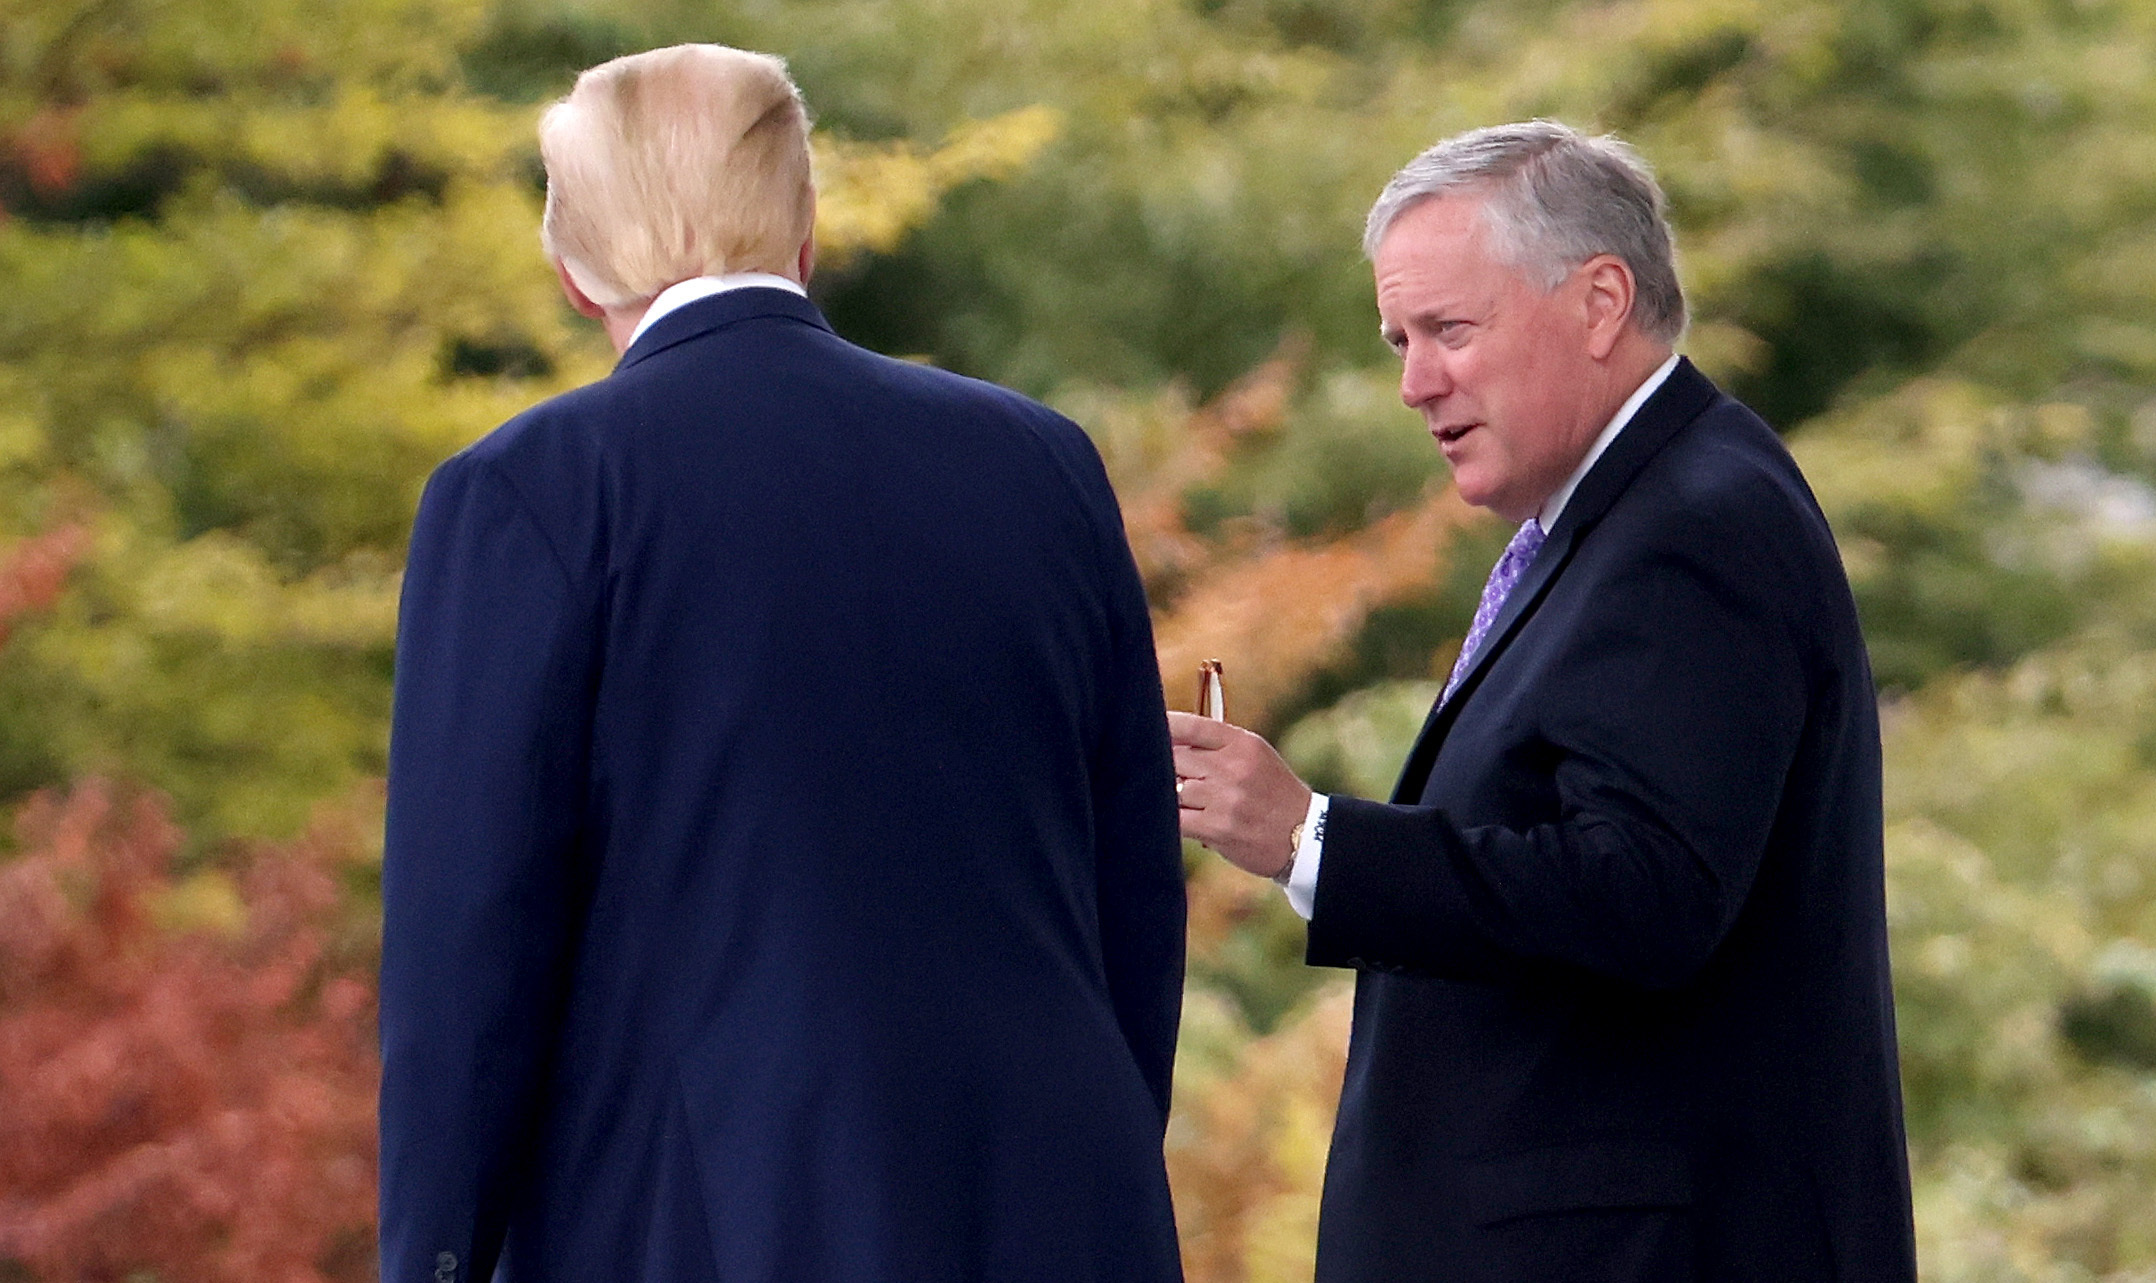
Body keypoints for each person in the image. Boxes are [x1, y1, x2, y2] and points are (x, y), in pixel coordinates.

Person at [380, 44, 1186, 1283]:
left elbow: (466, 939)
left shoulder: (529, 493)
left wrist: (434, 1255)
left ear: (570, 270)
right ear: (804, 236)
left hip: (703, 1218)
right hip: (1059, 1199)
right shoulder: (1041, 464)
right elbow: (1131, 880)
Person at [1169, 121, 1915, 1281]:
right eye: (1398, 341)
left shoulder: (1695, 523)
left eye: (1449, 331)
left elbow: (1645, 894)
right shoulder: (1630, 513)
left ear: (1599, 301)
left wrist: (1309, 838)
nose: (1415, 383)